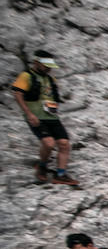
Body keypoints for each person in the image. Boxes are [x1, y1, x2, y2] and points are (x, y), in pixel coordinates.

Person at [12, 50, 78, 185]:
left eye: (50, 66)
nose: (48, 68)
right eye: (45, 65)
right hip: (36, 116)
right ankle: (42, 166)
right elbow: (17, 94)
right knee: (48, 143)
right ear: (36, 62)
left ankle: (61, 174)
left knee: (64, 144)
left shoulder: (50, 79)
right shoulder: (26, 76)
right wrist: (29, 114)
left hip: (51, 116)